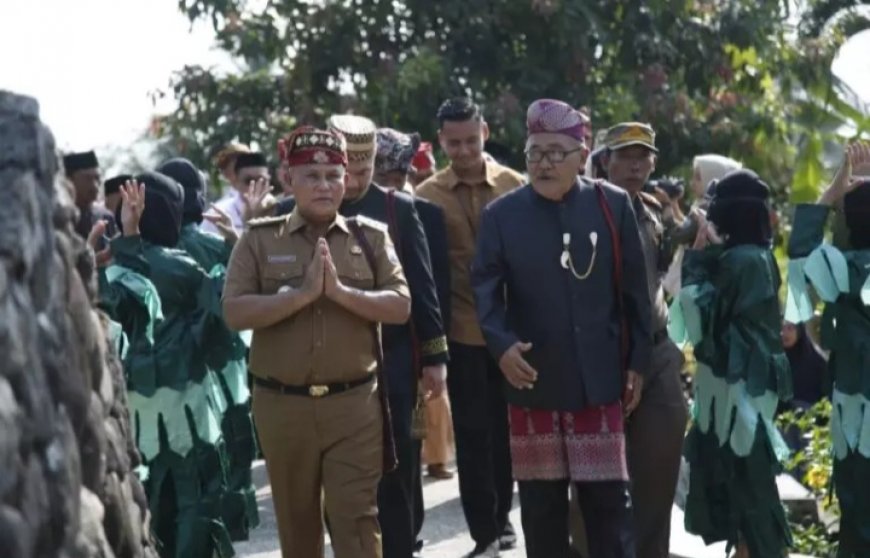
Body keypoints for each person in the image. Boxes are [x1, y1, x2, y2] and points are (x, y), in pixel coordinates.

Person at [472, 99, 652, 558]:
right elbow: (485, 291)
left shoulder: (612, 205)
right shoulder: (501, 215)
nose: (544, 163)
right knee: (541, 511)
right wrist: (501, 345)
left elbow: (635, 294)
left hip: (599, 381)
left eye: (555, 152)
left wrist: (638, 365)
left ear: (581, 154)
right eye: (535, 153)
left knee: (608, 509)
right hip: (533, 379)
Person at [223, 126, 411, 558]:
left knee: (358, 520)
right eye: (312, 175)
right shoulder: (259, 239)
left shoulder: (372, 237)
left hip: (354, 406)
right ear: (289, 180)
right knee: (297, 524)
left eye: (333, 175)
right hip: (282, 406)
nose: (324, 185)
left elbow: (401, 305)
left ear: (348, 180)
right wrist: (300, 296)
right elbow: (234, 312)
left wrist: (343, 295)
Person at [274, 116, 449, 558]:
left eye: (360, 170)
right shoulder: (294, 212)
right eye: (341, 170)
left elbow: (423, 292)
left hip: (391, 366)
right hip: (324, 371)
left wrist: (434, 359)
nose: (348, 181)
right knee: (338, 489)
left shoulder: (398, 209)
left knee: (396, 479)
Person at [95, 174, 240, 558]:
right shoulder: (180, 265)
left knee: (149, 496)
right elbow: (226, 310)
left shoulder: (107, 270)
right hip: (189, 403)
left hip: (135, 409)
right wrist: (236, 246)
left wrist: (127, 235)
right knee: (196, 495)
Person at [416, 97, 526, 557]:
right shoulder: (426, 196)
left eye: (469, 140)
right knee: (473, 435)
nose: (462, 151)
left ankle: (504, 519)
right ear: (440, 140)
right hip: (460, 332)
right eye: (453, 143)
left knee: (509, 434)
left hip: (515, 334)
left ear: (484, 131)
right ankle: (485, 530)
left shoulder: (516, 186)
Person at [672, 169, 793, 558]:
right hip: (735, 394)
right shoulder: (750, 256)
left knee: (750, 497)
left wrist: (696, 259)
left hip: (738, 398)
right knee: (742, 496)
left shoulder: (743, 261)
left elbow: (702, 326)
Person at [158, 157, 260, 540]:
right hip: (222, 379)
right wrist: (241, 236)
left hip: (165, 387)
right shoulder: (215, 248)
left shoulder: (142, 254)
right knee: (225, 467)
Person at [601, 122, 689, 558]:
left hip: (656, 350)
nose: (635, 164)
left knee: (659, 469)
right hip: (603, 353)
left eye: (643, 156)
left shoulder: (653, 211)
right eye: (625, 155)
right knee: (596, 483)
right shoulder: (587, 210)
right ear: (605, 161)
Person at [786, 142, 870, 558]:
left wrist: (831, 193)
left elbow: (800, 253)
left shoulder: (844, 270)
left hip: (856, 417)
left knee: (857, 522)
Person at [201, 151, 270, 234]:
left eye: (261, 181)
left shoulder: (281, 210)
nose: (255, 186)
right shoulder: (218, 214)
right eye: (248, 181)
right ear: (236, 182)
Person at [64, 150, 117, 239]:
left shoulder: (105, 218)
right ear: (69, 181)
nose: (95, 186)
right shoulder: (59, 218)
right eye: (87, 179)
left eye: (97, 179)